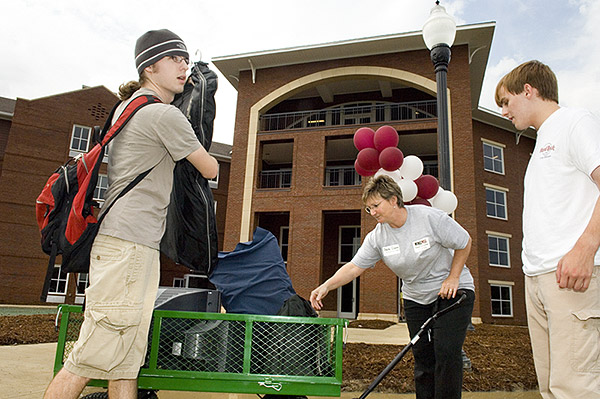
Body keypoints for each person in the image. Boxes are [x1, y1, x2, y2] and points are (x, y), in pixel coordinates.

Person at [44, 29, 219, 399]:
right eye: (175, 59)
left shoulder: (127, 106)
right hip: (129, 246)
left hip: (126, 243)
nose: (184, 66)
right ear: (150, 66)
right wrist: (198, 105)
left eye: (186, 59)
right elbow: (210, 168)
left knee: (124, 362)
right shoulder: (161, 115)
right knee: (88, 357)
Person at [310, 175, 475, 399]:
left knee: (446, 352)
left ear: (394, 200)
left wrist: (453, 277)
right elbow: (353, 267)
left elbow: (464, 241)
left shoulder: (428, 218)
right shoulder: (377, 238)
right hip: (416, 298)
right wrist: (326, 286)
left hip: (452, 292)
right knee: (423, 358)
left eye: (376, 206)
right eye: (369, 209)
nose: (373, 212)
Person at [495, 60, 600, 399]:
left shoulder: (574, 122)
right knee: (551, 387)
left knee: (576, 388)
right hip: (538, 277)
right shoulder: (540, 143)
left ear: (529, 90)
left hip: (572, 275)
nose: (503, 113)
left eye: (506, 102)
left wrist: (585, 249)